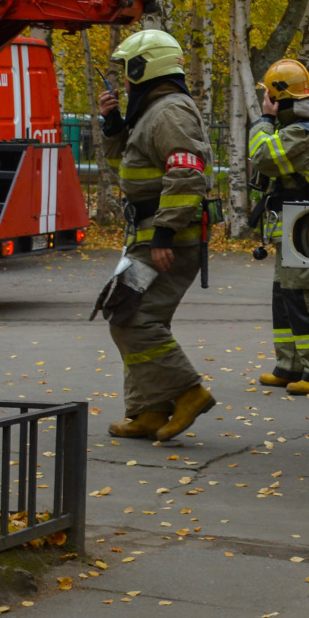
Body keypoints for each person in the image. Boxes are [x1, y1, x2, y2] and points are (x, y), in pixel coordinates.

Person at [96, 29, 215, 441]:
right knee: (129, 312)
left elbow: (187, 171)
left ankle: (188, 393)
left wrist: (165, 232)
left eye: (126, 71)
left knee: (131, 317)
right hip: (148, 234)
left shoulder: (169, 112)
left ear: (144, 67)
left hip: (165, 237)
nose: (123, 80)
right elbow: (126, 157)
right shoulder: (151, 109)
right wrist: (113, 123)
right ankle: (148, 411)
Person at [249, 58, 309, 394]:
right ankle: (289, 365)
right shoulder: (299, 129)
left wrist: (264, 120)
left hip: (305, 228)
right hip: (294, 228)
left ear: (280, 99)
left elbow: (262, 156)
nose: (266, 103)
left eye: (269, 98)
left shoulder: (304, 133)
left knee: (306, 297)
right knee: (285, 295)